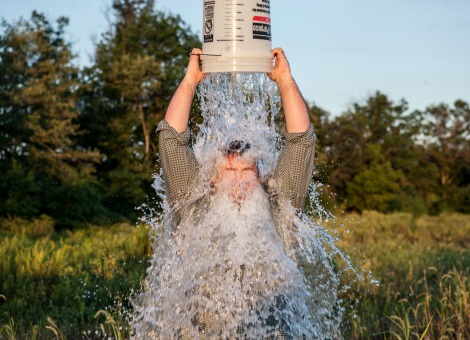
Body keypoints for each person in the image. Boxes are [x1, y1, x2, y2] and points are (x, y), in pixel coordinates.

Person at [154, 47, 316, 339]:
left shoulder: (279, 208)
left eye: (247, 172)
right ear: (214, 179)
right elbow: (171, 141)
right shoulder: (193, 207)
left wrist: (284, 80)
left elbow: (301, 143)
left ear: (260, 176)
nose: (239, 181)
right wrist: (190, 81)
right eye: (230, 172)